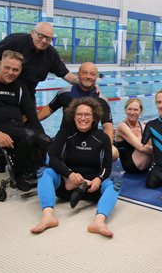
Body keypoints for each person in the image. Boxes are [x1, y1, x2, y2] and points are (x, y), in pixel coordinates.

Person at [31, 97, 119, 237]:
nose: (82, 118)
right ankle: (48, 216)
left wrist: (98, 179)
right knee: (44, 172)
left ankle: (99, 221)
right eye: (79, 114)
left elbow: (107, 167)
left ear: (94, 117)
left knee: (116, 182)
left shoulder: (102, 138)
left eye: (87, 115)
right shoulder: (66, 134)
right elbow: (51, 158)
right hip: (67, 182)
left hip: (91, 187)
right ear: (73, 116)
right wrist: (69, 174)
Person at [0, 50, 51, 191]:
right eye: (7, 68)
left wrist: (42, 135)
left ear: (20, 70)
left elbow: (31, 114)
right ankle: (18, 175)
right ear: (0, 65)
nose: (11, 72)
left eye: (15, 69)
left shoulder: (20, 86)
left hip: (17, 127)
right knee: (29, 136)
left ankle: (50, 172)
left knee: (45, 140)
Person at [0, 22, 78, 102]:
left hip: (25, 97)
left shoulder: (51, 54)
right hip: (0, 92)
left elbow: (66, 74)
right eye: (40, 36)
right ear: (33, 33)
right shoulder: (15, 41)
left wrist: (85, 83)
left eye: (48, 38)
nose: (43, 41)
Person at [37, 62, 118, 160]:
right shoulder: (65, 93)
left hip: (91, 141)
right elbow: (49, 109)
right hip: (66, 138)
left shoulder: (101, 99)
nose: (88, 77)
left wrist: (107, 148)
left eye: (92, 74)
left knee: (113, 153)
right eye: (84, 73)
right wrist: (29, 120)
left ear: (96, 77)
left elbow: (107, 127)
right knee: (48, 157)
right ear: (78, 75)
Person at [114, 98, 153, 174]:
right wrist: (159, 152)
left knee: (154, 138)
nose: (132, 112)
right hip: (131, 166)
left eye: (135, 110)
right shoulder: (122, 126)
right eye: (129, 109)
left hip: (145, 164)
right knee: (146, 147)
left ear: (141, 111)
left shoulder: (143, 126)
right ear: (125, 110)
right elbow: (140, 148)